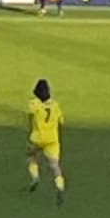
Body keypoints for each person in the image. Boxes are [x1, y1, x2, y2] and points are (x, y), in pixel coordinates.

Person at [25, 78, 65, 206]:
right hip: (52, 139)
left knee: (31, 156)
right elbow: (61, 121)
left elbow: (30, 119)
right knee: (54, 165)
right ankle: (59, 186)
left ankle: (35, 177)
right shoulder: (56, 106)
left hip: (37, 138)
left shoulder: (34, 104)